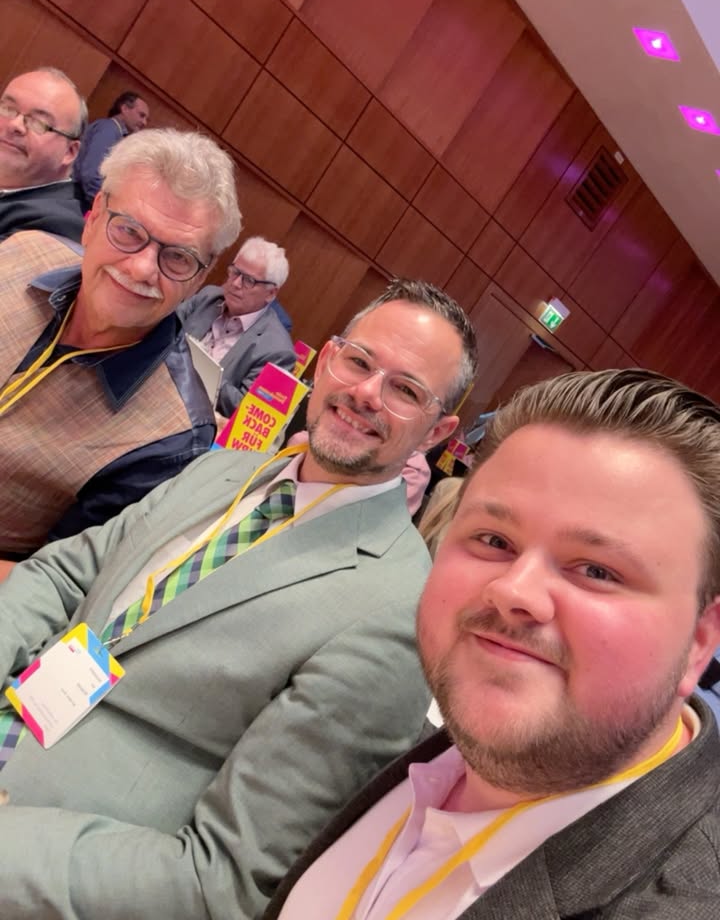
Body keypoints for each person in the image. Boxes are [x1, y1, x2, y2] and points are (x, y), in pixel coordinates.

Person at [0, 279, 478, 919]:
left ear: (436, 430)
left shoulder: (396, 612)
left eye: (406, 390)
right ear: (325, 360)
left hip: (47, 859)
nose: (367, 392)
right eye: (360, 361)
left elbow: (221, 883)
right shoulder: (219, 469)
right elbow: (63, 575)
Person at [264, 369, 720, 920]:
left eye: (597, 570)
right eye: (494, 540)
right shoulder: (446, 751)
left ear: (699, 641)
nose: (513, 591)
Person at [0, 126, 241, 558]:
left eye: (178, 257)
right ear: (93, 218)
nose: (142, 268)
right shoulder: (22, 252)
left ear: (201, 277)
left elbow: (53, 579)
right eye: (129, 231)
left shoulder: (173, 437)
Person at [178, 236, 296, 417]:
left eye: (249, 280)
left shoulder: (278, 351)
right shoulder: (209, 297)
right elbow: (166, 330)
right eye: (235, 272)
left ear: (271, 293)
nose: (235, 283)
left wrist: (200, 368)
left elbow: (248, 412)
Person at [0, 67, 86, 242]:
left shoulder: (53, 225)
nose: (15, 125)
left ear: (69, 152)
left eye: (39, 122)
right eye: (7, 109)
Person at [73, 90, 150, 213]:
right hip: (76, 197)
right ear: (124, 108)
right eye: (141, 115)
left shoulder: (114, 132)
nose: (144, 123)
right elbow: (92, 175)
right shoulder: (109, 130)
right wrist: (106, 209)